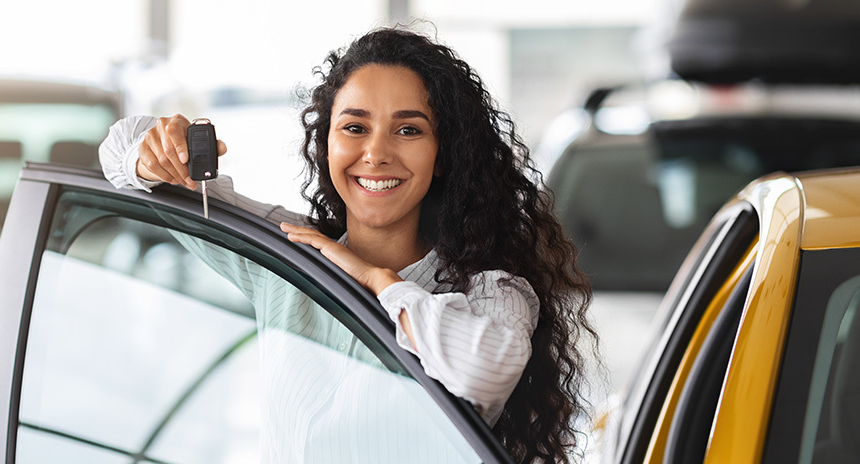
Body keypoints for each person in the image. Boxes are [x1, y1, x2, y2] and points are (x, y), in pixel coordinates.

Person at [100, 27, 595, 463]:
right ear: (328, 145)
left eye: (407, 130)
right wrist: (157, 152)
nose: (376, 153)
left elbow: (482, 373)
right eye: (355, 128)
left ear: (442, 156)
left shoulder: (490, 291)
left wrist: (379, 281)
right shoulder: (288, 255)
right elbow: (120, 151)